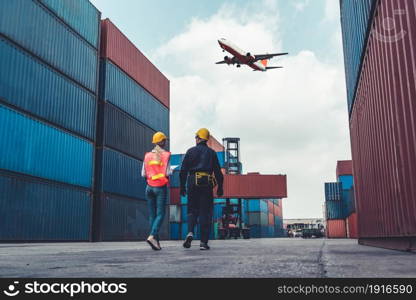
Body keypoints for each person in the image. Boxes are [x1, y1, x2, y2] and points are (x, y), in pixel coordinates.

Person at [180, 128, 224, 250]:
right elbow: (218, 173)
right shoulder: (212, 153)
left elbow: (183, 171)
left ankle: (190, 232)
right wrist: (220, 187)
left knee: (192, 210)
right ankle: (203, 243)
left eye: (196, 137)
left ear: (198, 138)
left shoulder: (190, 151)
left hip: (192, 182)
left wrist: (182, 187)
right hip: (206, 183)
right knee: (205, 212)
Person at [142, 131, 171, 250]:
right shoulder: (166, 155)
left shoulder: (147, 155)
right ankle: (152, 235)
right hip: (160, 187)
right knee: (161, 214)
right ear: (163, 142)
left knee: (152, 215)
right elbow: (168, 172)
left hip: (148, 187)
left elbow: (143, 173)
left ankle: (156, 243)